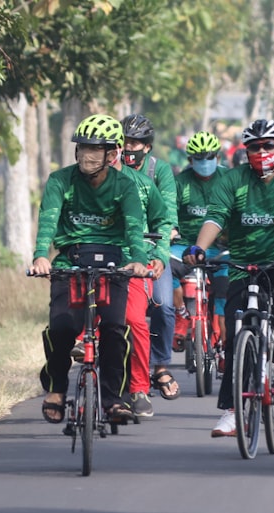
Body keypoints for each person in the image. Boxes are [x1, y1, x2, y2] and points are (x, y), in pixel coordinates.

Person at [183, 119, 274, 438]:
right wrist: (199, 247)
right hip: (243, 263)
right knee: (233, 335)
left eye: (269, 146)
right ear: (246, 150)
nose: (262, 152)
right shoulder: (233, 179)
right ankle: (231, 410)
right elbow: (217, 216)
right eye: (255, 147)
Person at [30, 114, 149, 424]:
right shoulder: (60, 180)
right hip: (70, 261)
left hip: (113, 264)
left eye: (96, 149)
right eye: (83, 148)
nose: (87, 155)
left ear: (113, 154)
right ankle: (56, 388)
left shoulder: (125, 184)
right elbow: (48, 220)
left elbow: (136, 226)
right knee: (62, 328)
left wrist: (137, 259)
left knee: (113, 329)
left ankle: (112, 399)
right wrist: (41, 256)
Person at [108, 132, 174, 418]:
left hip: (133, 262)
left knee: (137, 320)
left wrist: (158, 255)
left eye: (107, 149)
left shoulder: (143, 183)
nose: (99, 156)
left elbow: (163, 220)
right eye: (89, 149)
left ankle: (139, 387)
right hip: (92, 261)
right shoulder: (75, 183)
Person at [121, 113, 181, 401]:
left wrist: (160, 251)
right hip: (120, 248)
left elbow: (166, 215)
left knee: (164, 305)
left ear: (147, 147)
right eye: (125, 142)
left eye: (135, 143)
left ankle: (160, 365)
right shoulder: (113, 169)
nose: (129, 148)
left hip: (154, 249)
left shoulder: (160, 171)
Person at [172, 131, 229, 354]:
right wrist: (171, 229)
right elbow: (168, 213)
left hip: (221, 250)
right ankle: (181, 315)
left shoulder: (229, 180)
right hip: (184, 246)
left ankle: (225, 340)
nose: (204, 162)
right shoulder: (179, 183)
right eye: (199, 158)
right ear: (190, 161)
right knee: (163, 266)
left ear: (218, 157)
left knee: (227, 287)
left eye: (209, 157)